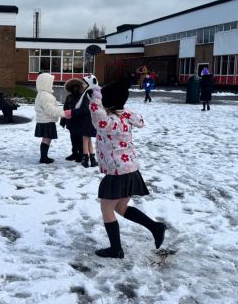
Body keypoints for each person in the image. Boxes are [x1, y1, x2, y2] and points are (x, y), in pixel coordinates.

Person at [88, 77, 166, 258]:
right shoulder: (125, 117)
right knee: (120, 207)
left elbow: (97, 117)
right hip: (129, 169)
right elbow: (134, 117)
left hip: (118, 172)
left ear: (108, 102)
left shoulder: (111, 122)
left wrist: (96, 97)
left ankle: (116, 249)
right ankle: (155, 227)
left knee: (107, 209)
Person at [34, 72, 70, 164]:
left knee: (47, 138)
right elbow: (50, 110)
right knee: (46, 139)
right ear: (46, 83)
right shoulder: (46, 96)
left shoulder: (41, 94)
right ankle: (43, 158)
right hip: (47, 121)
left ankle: (44, 156)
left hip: (43, 120)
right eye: (51, 82)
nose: (52, 84)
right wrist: (64, 113)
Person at [72, 74, 98, 168]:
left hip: (86, 120)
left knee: (85, 140)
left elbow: (85, 109)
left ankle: (85, 160)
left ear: (89, 83)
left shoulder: (87, 93)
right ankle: (93, 160)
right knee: (89, 140)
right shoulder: (94, 92)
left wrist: (73, 112)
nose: (82, 85)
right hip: (91, 119)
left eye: (84, 83)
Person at [60, 78, 85, 162]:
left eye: (76, 86)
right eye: (73, 87)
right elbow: (65, 109)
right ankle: (74, 153)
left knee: (80, 139)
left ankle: (81, 154)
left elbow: (84, 109)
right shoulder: (69, 97)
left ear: (79, 87)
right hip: (71, 121)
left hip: (80, 121)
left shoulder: (83, 97)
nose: (75, 88)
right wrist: (63, 120)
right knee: (73, 138)